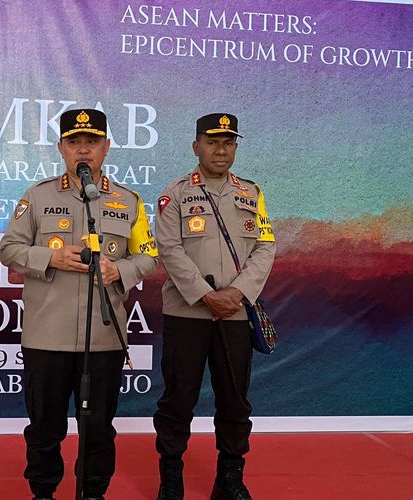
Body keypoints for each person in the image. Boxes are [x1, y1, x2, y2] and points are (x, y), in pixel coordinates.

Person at [0, 108, 158, 500]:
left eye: (91, 142)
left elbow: (150, 256)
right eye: (74, 142)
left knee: (99, 427)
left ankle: (92, 493)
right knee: (44, 428)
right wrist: (48, 258)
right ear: (61, 149)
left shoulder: (129, 201)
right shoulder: (37, 196)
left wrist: (118, 270)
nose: (83, 150)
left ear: (105, 148)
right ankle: (43, 493)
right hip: (46, 336)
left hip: (103, 338)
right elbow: (8, 249)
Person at [152, 113, 276, 500]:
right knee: (178, 399)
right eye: (212, 142)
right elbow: (169, 250)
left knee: (235, 400)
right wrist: (207, 296)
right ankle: (171, 480)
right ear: (196, 147)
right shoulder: (175, 194)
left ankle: (229, 480)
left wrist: (237, 293)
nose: (221, 150)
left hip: (236, 314)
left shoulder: (252, 194)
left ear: (235, 148)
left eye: (228, 143)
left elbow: (266, 246)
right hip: (187, 313)